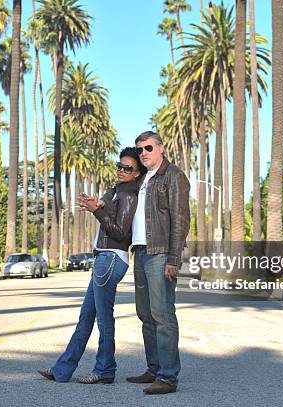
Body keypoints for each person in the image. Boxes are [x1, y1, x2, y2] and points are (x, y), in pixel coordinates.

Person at [38, 147, 146, 384]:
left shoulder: (129, 196)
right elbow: (108, 213)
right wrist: (96, 204)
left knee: (103, 319)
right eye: (120, 166)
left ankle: (105, 370)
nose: (121, 170)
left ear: (137, 173)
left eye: (128, 168)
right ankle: (62, 370)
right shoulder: (117, 192)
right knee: (86, 317)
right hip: (104, 259)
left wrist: (97, 211)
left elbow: (120, 232)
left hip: (111, 258)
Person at [125, 131, 190, 395]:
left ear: (160, 148)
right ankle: (153, 369)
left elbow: (181, 220)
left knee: (163, 315)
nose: (144, 153)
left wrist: (174, 259)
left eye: (148, 148)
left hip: (161, 253)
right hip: (140, 252)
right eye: (140, 150)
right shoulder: (143, 179)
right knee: (146, 315)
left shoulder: (173, 176)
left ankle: (168, 377)